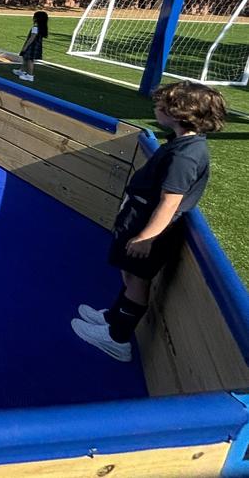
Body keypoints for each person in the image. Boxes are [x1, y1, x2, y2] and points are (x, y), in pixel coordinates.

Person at [71, 81, 226, 362]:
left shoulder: (185, 156)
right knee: (130, 275)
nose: (156, 108)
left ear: (180, 113)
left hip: (148, 228)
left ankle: (117, 338)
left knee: (137, 279)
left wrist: (147, 237)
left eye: (161, 106)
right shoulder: (184, 143)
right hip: (140, 219)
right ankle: (114, 318)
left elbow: (170, 201)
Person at [14, 10, 48, 82]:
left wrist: (25, 47)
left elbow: (31, 38)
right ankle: (21, 70)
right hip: (35, 46)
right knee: (26, 58)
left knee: (29, 60)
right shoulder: (41, 28)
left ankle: (30, 76)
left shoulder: (35, 28)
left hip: (32, 46)